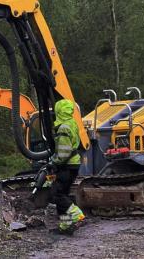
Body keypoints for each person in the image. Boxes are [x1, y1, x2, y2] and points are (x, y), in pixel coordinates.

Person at [50, 98, 85, 234]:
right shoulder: (72, 123)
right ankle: (65, 225)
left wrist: (54, 162)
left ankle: (76, 214)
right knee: (63, 194)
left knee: (57, 194)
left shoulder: (64, 128)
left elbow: (64, 152)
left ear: (59, 111)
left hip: (67, 165)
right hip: (73, 164)